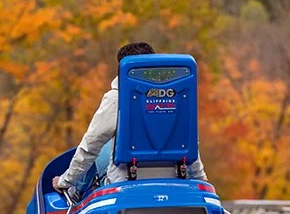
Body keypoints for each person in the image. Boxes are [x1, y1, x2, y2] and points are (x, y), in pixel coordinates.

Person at [52, 41, 207, 192]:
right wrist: (203, 183)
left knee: (103, 150)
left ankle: (75, 192)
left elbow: (90, 146)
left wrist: (66, 180)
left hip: (124, 185)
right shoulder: (179, 98)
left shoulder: (115, 99)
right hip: (175, 183)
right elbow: (190, 146)